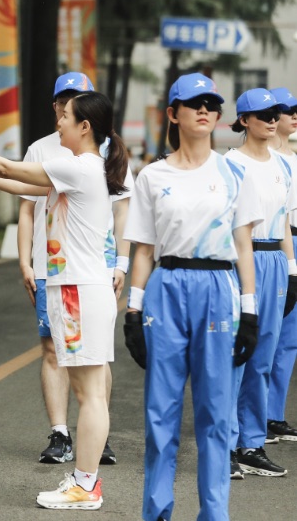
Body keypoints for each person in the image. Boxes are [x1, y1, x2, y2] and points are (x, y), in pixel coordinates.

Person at [0, 91, 129, 510]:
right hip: (78, 289)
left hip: (78, 292)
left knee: (90, 395)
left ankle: (85, 486)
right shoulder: (80, 169)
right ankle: (84, 481)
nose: (59, 122)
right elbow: (18, 183)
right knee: (90, 393)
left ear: (85, 127)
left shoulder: (81, 167)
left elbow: (8, 166)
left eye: (67, 117)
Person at [123, 73, 260, 520]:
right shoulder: (152, 175)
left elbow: (243, 245)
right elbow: (144, 249)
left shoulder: (234, 173)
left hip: (218, 289)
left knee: (215, 413)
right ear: (173, 114)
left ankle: (214, 514)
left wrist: (250, 312)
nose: (204, 110)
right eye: (194, 103)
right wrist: (133, 311)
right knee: (160, 413)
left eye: (211, 104)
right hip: (167, 286)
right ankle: (157, 510)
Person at [17, 72, 130, 466]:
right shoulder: (45, 149)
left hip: (85, 275)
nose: (67, 108)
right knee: (60, 355)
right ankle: (64, 436)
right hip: (60, 271)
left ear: (87, 117)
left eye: (76, 101)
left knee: (92, 371)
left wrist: (122, 262)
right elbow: (24, 200)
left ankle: (92, 452)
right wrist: (26, 260)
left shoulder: (94, 157)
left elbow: (122, 210)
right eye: (64, 100)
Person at [225, 88, 297, 478]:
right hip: (243, 257)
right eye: (264, 114)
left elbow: (284, 220)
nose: (272, 120)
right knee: (238, 351)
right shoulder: (230, 164)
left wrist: (292, 269)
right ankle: (225, 443)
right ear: (244, 120)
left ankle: (251, 443)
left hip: (274, 259)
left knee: (265, 354)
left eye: (276, 114)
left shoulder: (284, 165)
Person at [266, 87, 297, 444]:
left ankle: (274, 414)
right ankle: (254, 416)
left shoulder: (293, 158)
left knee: (289, 337)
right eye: (286, 110)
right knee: (265, 336)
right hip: (270, 247)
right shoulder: (259, 159)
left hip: (291, 243)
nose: (292, 116)